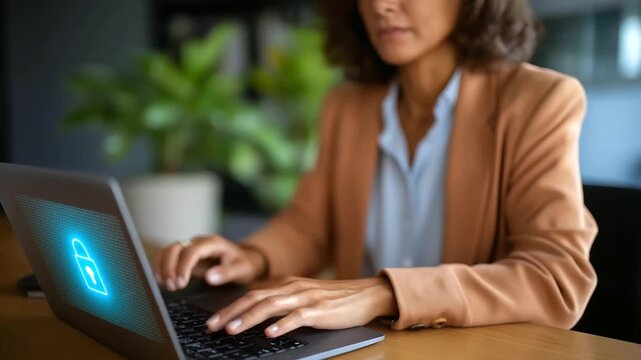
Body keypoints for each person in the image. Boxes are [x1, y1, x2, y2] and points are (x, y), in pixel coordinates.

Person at [155, 0, 597, 338]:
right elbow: (310, 226)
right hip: (366, 346)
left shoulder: (540, 101)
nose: (380, 5)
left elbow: (556, 278)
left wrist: (384, 293)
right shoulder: (347, 106)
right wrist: (251, 256)